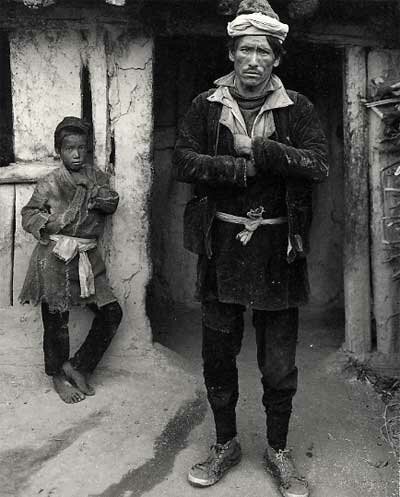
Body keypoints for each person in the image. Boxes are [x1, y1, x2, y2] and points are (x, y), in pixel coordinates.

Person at [173, 1, 328, 496]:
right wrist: (238, 168)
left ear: (276, 58)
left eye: (263, 50)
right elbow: (183, 161)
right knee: (219, 352)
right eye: (245, 50)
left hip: (279, 250)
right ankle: (225, 444)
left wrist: (259, 150)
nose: (254, 60)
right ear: (232, 54)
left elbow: (318, 164)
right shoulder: (206, 106)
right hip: (221, 246)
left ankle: (279, 450)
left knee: (278, 361)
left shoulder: (297, 108)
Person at [19, 116, 123, 405]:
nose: (76, 155)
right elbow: (28, 216)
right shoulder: (49, 183)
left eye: (82, 148)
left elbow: (112, 201)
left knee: (112, 313)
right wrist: (53, 221)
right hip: (54, 259)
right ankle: (57, 376)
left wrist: (102, 200)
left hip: (87, 258)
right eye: (69, 149)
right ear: (59, 151)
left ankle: (78, 366)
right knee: (56, 321)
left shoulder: (97, 177)